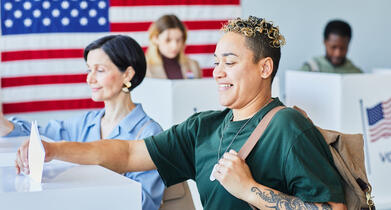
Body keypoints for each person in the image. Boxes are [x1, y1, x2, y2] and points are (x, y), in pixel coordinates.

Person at [16, 17, 347, 209]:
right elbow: (128, 152)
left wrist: (249, 189)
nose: (217, 72)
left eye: (229, 63)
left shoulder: (287, 125)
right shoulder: (203, 126)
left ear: (265, 68)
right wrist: (55, 150)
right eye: (216, 62)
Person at [3, 35, 165, 210]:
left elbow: (144, 204)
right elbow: (42, 135)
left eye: (100, 70)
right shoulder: (87, 122)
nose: (90, 79)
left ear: (127, 74)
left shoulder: (150, 133)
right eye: (89, 70)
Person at [145, 14, 202, 79]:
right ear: (155, 38)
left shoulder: (193, 65)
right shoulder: (145, 69)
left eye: (178, 40)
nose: (174, 46)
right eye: (168, 40)